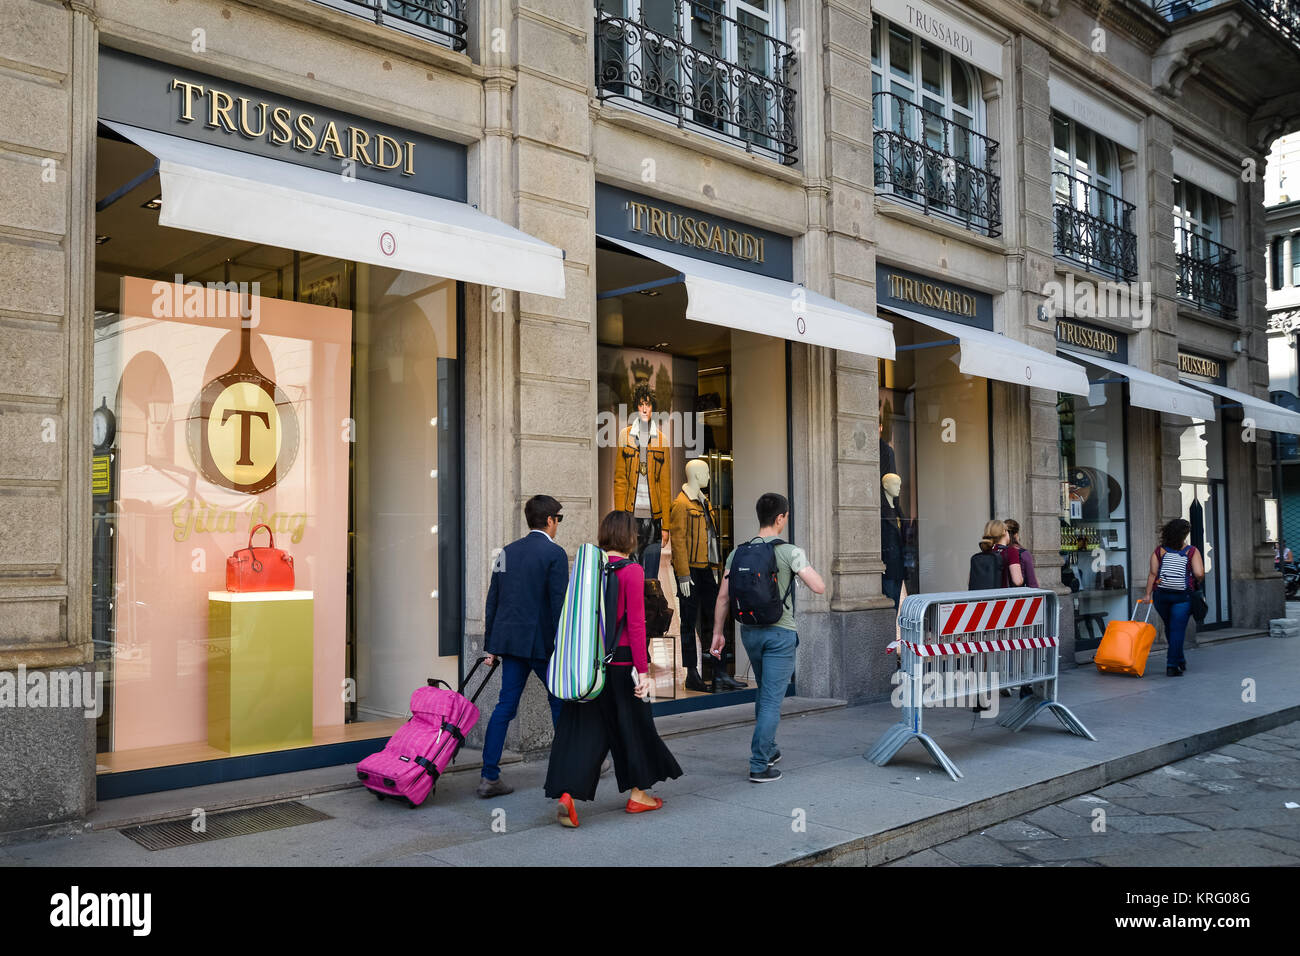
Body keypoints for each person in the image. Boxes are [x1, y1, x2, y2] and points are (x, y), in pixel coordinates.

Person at [544, 511, 683, 827]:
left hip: (589, 665)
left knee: (584, 732)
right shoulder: (631, 571)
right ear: (630, 536)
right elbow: (636, 624)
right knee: (634, 728)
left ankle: (567, 794)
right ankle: (638, 794)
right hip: (620, 662)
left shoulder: (589, 569)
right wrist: (643, 672)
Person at [710, 493, 826, 783]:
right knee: (773, 699)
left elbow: (723, 597)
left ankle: (770, 749)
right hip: (780, 633)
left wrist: (717, 633)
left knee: (765, 692)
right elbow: (819, 587)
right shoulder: (789, 552)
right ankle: (759, 764)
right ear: (780, 518)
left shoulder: (737, 553)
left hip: (750, 633)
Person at [477, 495, 569, 798]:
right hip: (543, 645)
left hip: (511, 644)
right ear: (550, 520)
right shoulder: (555, 554)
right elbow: (559, 606)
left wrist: (491, 646)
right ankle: (570, 769)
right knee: (561, 703)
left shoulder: (507, 551)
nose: (558, 525)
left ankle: (489, 776)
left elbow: (493, 600)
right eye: (559, 519)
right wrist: (565, 645)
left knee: (505, 706)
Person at [1144, 518, 1204, 677]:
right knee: (1177, 629)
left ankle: (1180, 659)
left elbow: (1152, 574)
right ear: (1185, 535)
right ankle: (1172, 665)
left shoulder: (1159, 551)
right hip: (1182, 596)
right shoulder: (1192, 551)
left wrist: (1147, 594)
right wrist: (1196, 581)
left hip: (1161, 596)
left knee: (1170, 627)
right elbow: (1199, 573)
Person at [969, 519, 1023, 589]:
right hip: (1003, 595)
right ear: (1004, 532)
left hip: (983, 595)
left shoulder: (985, 552)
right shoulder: (1011, 551)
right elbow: (1017, 581)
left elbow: (970, 581)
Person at [1003, 518, 1038, 587]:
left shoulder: (999, 551)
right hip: (1017, 592)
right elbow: (1032, 582)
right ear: (1016, 534)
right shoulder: (1023, 553)